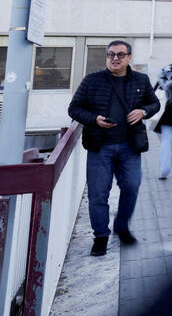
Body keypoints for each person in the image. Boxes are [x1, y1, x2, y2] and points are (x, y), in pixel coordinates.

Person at [68, 40, 159, 256]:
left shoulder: (141, 79)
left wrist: (143, 112)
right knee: (98, 194)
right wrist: (94, 118)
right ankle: (100, 236)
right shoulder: (92, 80)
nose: (114, 58)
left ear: (129, 57)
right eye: (110, 55)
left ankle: (122, 226)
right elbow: (74, 109)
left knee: (131, 187)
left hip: (130, 147)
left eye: (120, 54)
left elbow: (155, 104)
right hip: (100, 148)